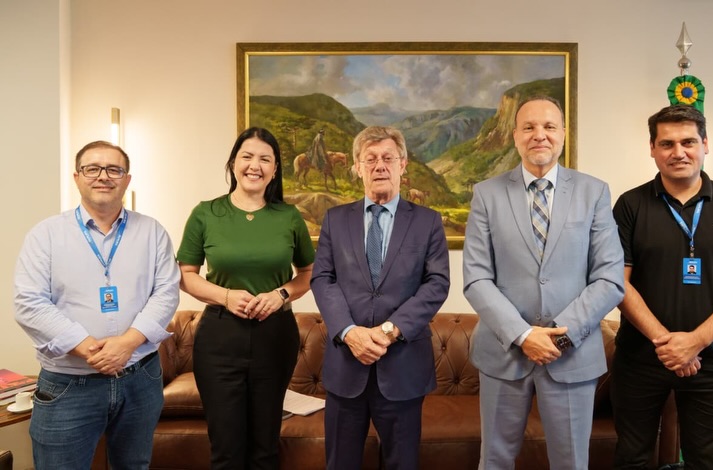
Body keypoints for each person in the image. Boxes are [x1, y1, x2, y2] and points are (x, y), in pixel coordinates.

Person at [463, 96, 625, 469]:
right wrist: (523, 335)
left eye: (549, 126)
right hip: (504, 352)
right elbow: (476, 277)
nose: (540, 135)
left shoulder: (593, 192)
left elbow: (609, 277)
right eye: (529, 127)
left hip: (571, 352)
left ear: (563, 133)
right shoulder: (486, 194)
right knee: (495, 461)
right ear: (515, 136)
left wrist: (558, 337)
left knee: (571, 463)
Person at [611, 104, 713, 469]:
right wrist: (666, 343)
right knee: (632, 458)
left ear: (705, 144)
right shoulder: (630, 205)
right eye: (667, 144)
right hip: (640, 358)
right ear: (652, 148)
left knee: (705, 461)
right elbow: (617, 281)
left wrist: (695, 342)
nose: (678, 152)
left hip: (712, 359)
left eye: (688, 142)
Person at [14, 140, 181, 469]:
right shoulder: (46, 235)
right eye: (92, 168)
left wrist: (126, 344)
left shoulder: (152, 232)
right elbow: (29, 303)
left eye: (114, 170)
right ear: (77, 177)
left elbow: (166, 292)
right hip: (68, 384)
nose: (103, 176)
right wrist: (91, 349)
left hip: (140, 378)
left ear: (127, 179)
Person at [311, 125, 450, 470]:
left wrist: (389, 331)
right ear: (357, 167)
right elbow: (323, 279)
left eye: (388, 157)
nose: (379, 166)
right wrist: (349, 332)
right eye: (370, 159)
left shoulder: (428, 222)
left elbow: (436, 284)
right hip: (346, 366)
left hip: (403, 367)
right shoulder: (335, 220)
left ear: (403, 164)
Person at [177, 127, 315, 469]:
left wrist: (281, 294)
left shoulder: (289, 216)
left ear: (275, 168)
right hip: (219, 338)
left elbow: (309, 273)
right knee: (226, 448)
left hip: (276, 335)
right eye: (247, 156)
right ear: (233, 163)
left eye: (265, 159)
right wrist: (225, 296)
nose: (255, 165)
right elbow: (185, 275)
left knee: (265, 447)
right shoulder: (206, 213)